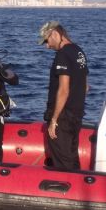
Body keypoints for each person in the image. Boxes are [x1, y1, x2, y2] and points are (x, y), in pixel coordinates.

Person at [38, 21, 89, 171]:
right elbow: (85, 86)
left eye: (47, 41)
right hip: (76, 114)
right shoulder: (79, 52)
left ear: (55, 34)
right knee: (71, 157)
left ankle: (67, 191)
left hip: (63, 117)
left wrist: (54, 120)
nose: (47, 46)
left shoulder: (63, 54)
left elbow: (63, 89)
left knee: (63, 162)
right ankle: (78, 188)